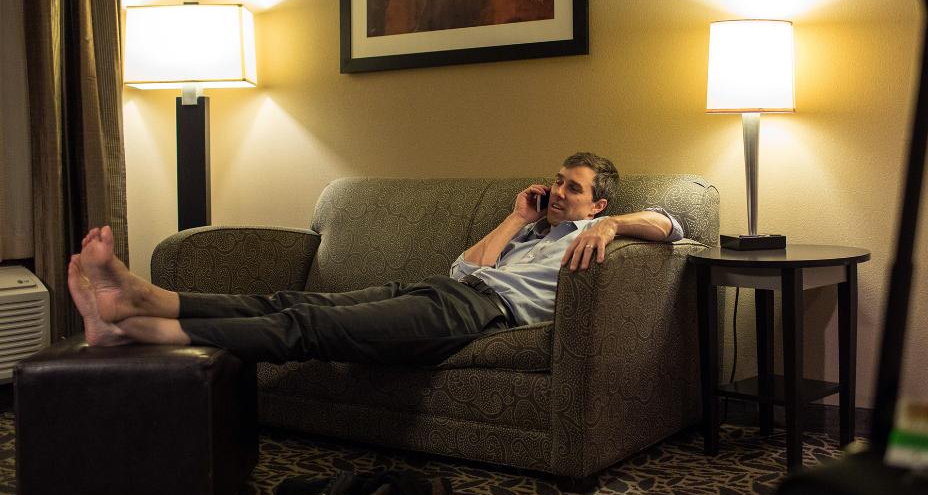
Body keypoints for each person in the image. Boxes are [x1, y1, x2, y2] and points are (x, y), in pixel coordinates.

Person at [67, 152, 683, 365]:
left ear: (597, 200)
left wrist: (612, 225)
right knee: (292, 302)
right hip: (441, 293)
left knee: (311, 327)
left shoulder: (608, 230)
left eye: (571, 187)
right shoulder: (529, 231)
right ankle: (145, 297)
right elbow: (463, 269)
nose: (557, 192)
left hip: (477, 314)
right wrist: (518, 217)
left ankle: (142, 329)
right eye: (556, 181)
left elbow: (673, 225)